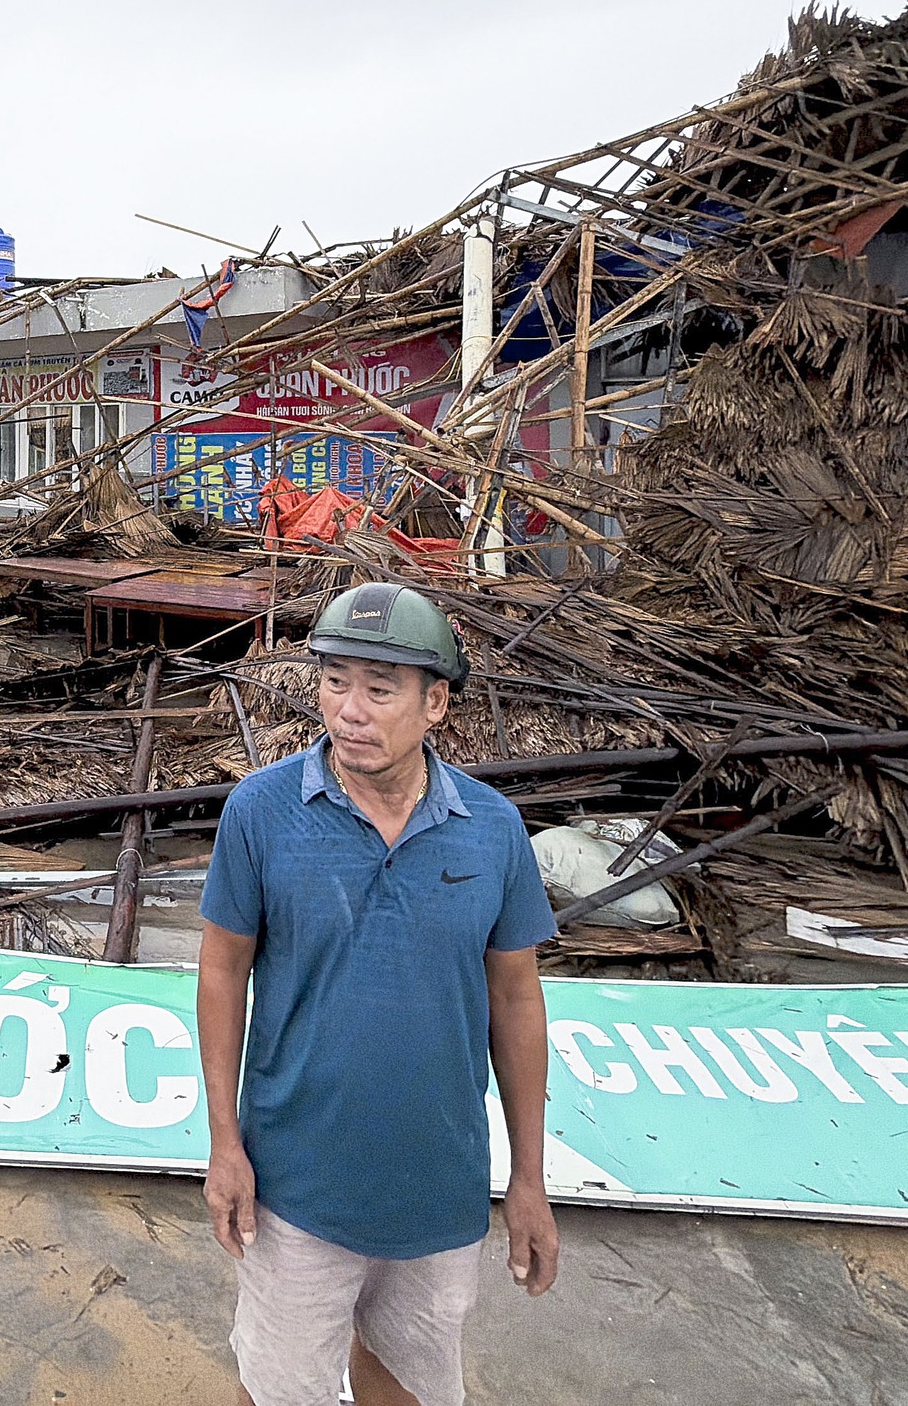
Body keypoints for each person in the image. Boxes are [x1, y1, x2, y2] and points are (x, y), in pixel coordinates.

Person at [197, 581, 559, 1406]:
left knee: (409, 1382)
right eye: (334, 682)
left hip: (438, 1185)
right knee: (282, 1386)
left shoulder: (494, 830)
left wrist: (529, 1179)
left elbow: (516, 1001)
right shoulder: (261, 813)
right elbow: (221, 971)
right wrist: (225, 1143)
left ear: (436, 704)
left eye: (379, 689)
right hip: (295, 1184)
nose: (349, 710)